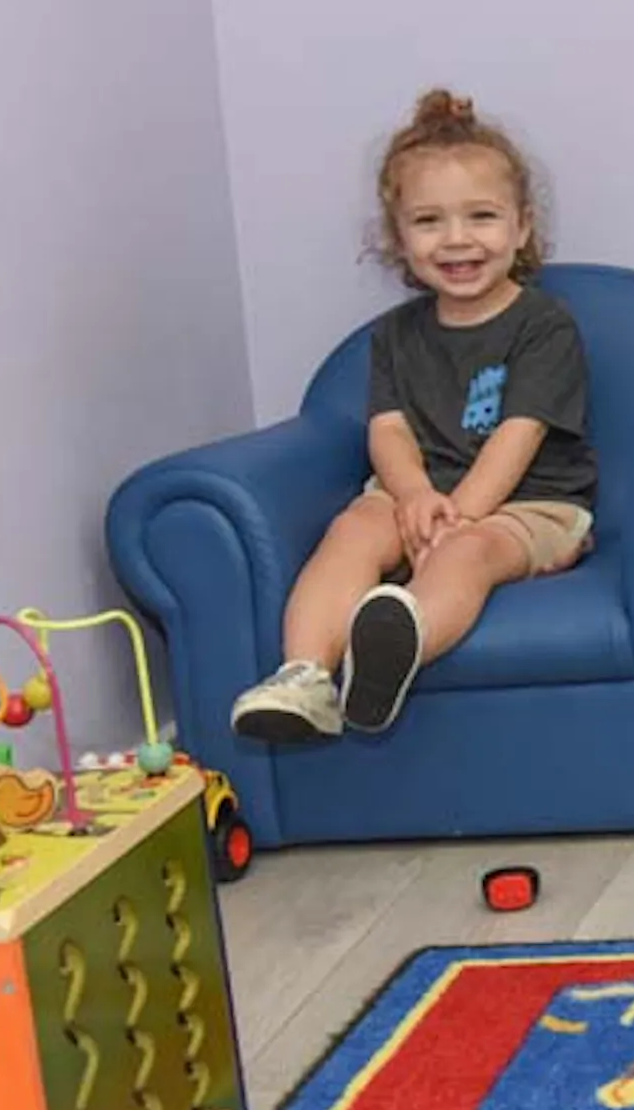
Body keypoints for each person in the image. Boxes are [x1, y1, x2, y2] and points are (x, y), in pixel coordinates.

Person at [230, 90, 597, 743]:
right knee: (353, 527)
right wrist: (415, 495)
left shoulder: (543, 325)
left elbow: (520, 433)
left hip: (530, 503)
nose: (457, 239)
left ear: (521, 227)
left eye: (481, 216)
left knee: (468, 552)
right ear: (399, 238)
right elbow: (389, 429)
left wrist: (459, 516)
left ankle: (394, 649)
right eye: (429, 221)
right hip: (420, 496)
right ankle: (305, 675)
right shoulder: (395, 336)